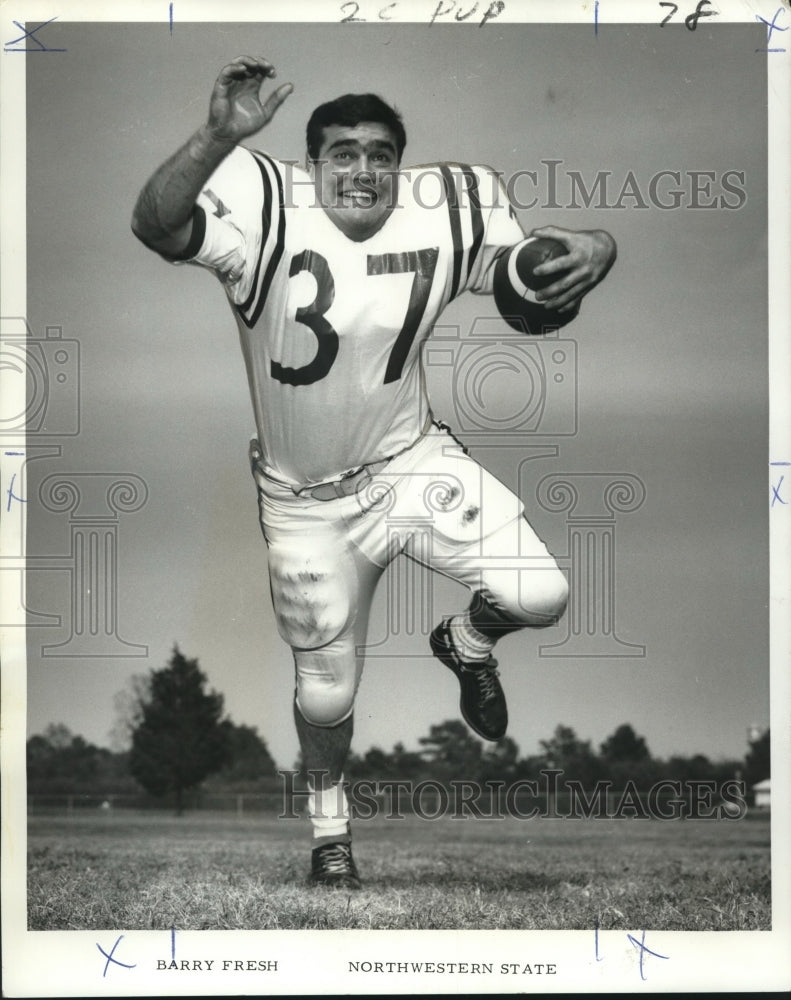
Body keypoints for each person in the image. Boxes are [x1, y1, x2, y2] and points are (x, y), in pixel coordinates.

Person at [132, 55, 616, 889]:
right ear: (310, 165)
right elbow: (156, 225)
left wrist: (598, 246)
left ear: (401, 165)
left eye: (380, 153)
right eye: (342, 152)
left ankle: (466, 642)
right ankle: (331, 837)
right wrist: (216, 135)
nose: (362, 168)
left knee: (543, 595)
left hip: (408, 463)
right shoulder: (258, 202)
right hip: (305, 502)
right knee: (325, 694)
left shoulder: (451, 206)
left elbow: (522, 281)